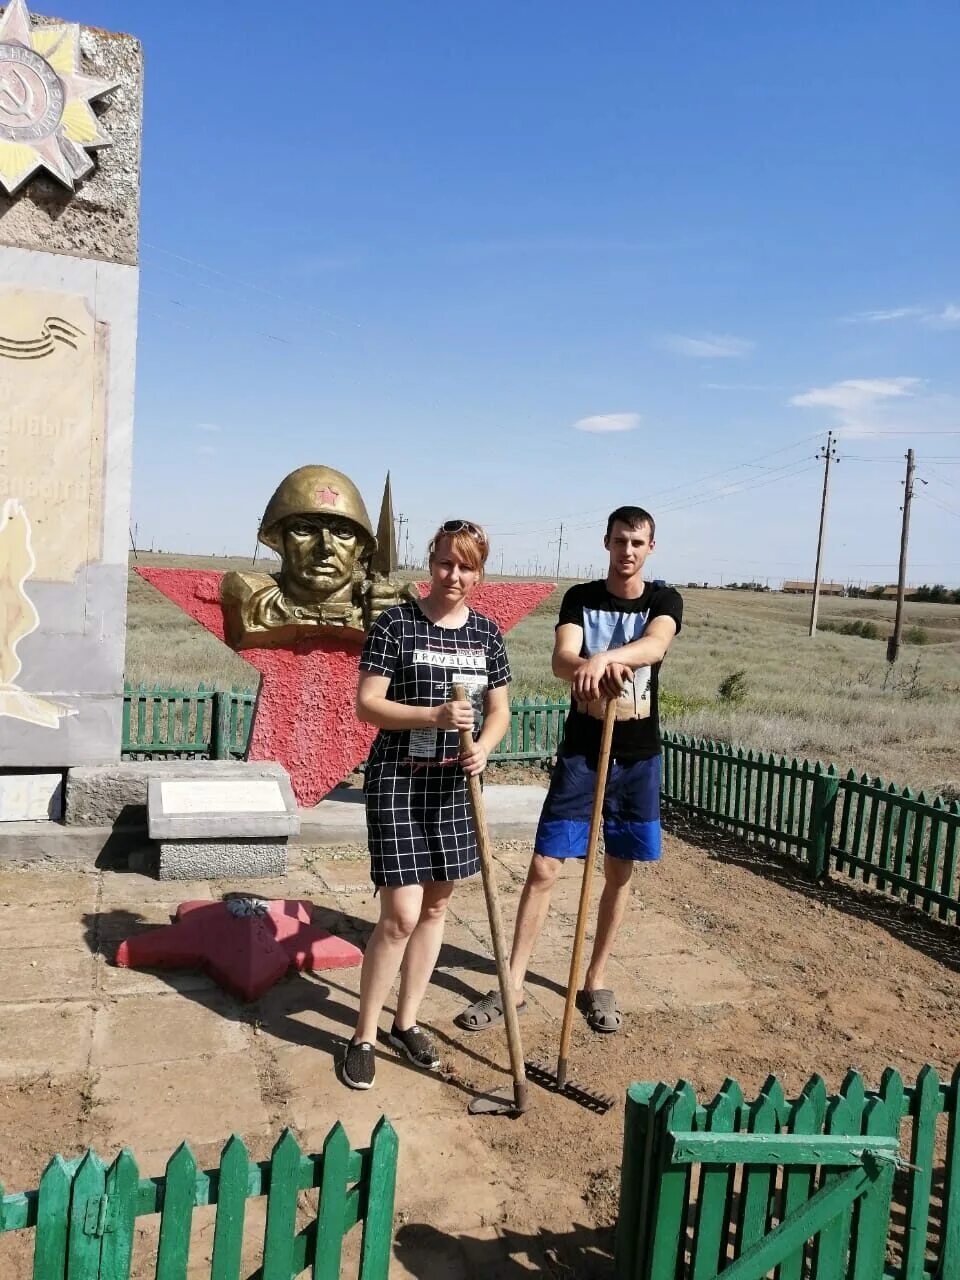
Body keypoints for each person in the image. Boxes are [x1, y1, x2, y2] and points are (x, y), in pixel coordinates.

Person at [455, 505, 682, 1037]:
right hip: (582, 751)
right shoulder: (581, 598)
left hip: (638, 754)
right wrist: (589, 665)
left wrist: (603, 661)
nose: (627, 550)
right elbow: (563, 659)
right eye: (620, 540)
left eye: (637, 542)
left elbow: (657, 644)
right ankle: (512, 982)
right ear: (606, 542)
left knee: (619, 871)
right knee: (544, 867)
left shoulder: (662, 600)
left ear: (650, 548)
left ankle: (595, 979)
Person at [340, 519, 511, 1090]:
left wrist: (484, 749)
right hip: (399, 781)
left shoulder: (487, 635)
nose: (453, 575)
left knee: (437, 909)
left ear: (478, 572)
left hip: (455, 787)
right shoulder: (396, 623)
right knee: (401, 916)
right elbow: (369, 704)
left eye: (466, 566)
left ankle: (405, 1023)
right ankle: (362, 1034)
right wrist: (433, 717)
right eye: (445, 563)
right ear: (430, 564)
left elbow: (500, 711)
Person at [221, 464, 417, 649]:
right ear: (277, 539)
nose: (326, 547)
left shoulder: (391, 605)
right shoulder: (255, 602)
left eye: (342, 532)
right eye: (304, 529)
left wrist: (402, 613)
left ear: (360, 547)